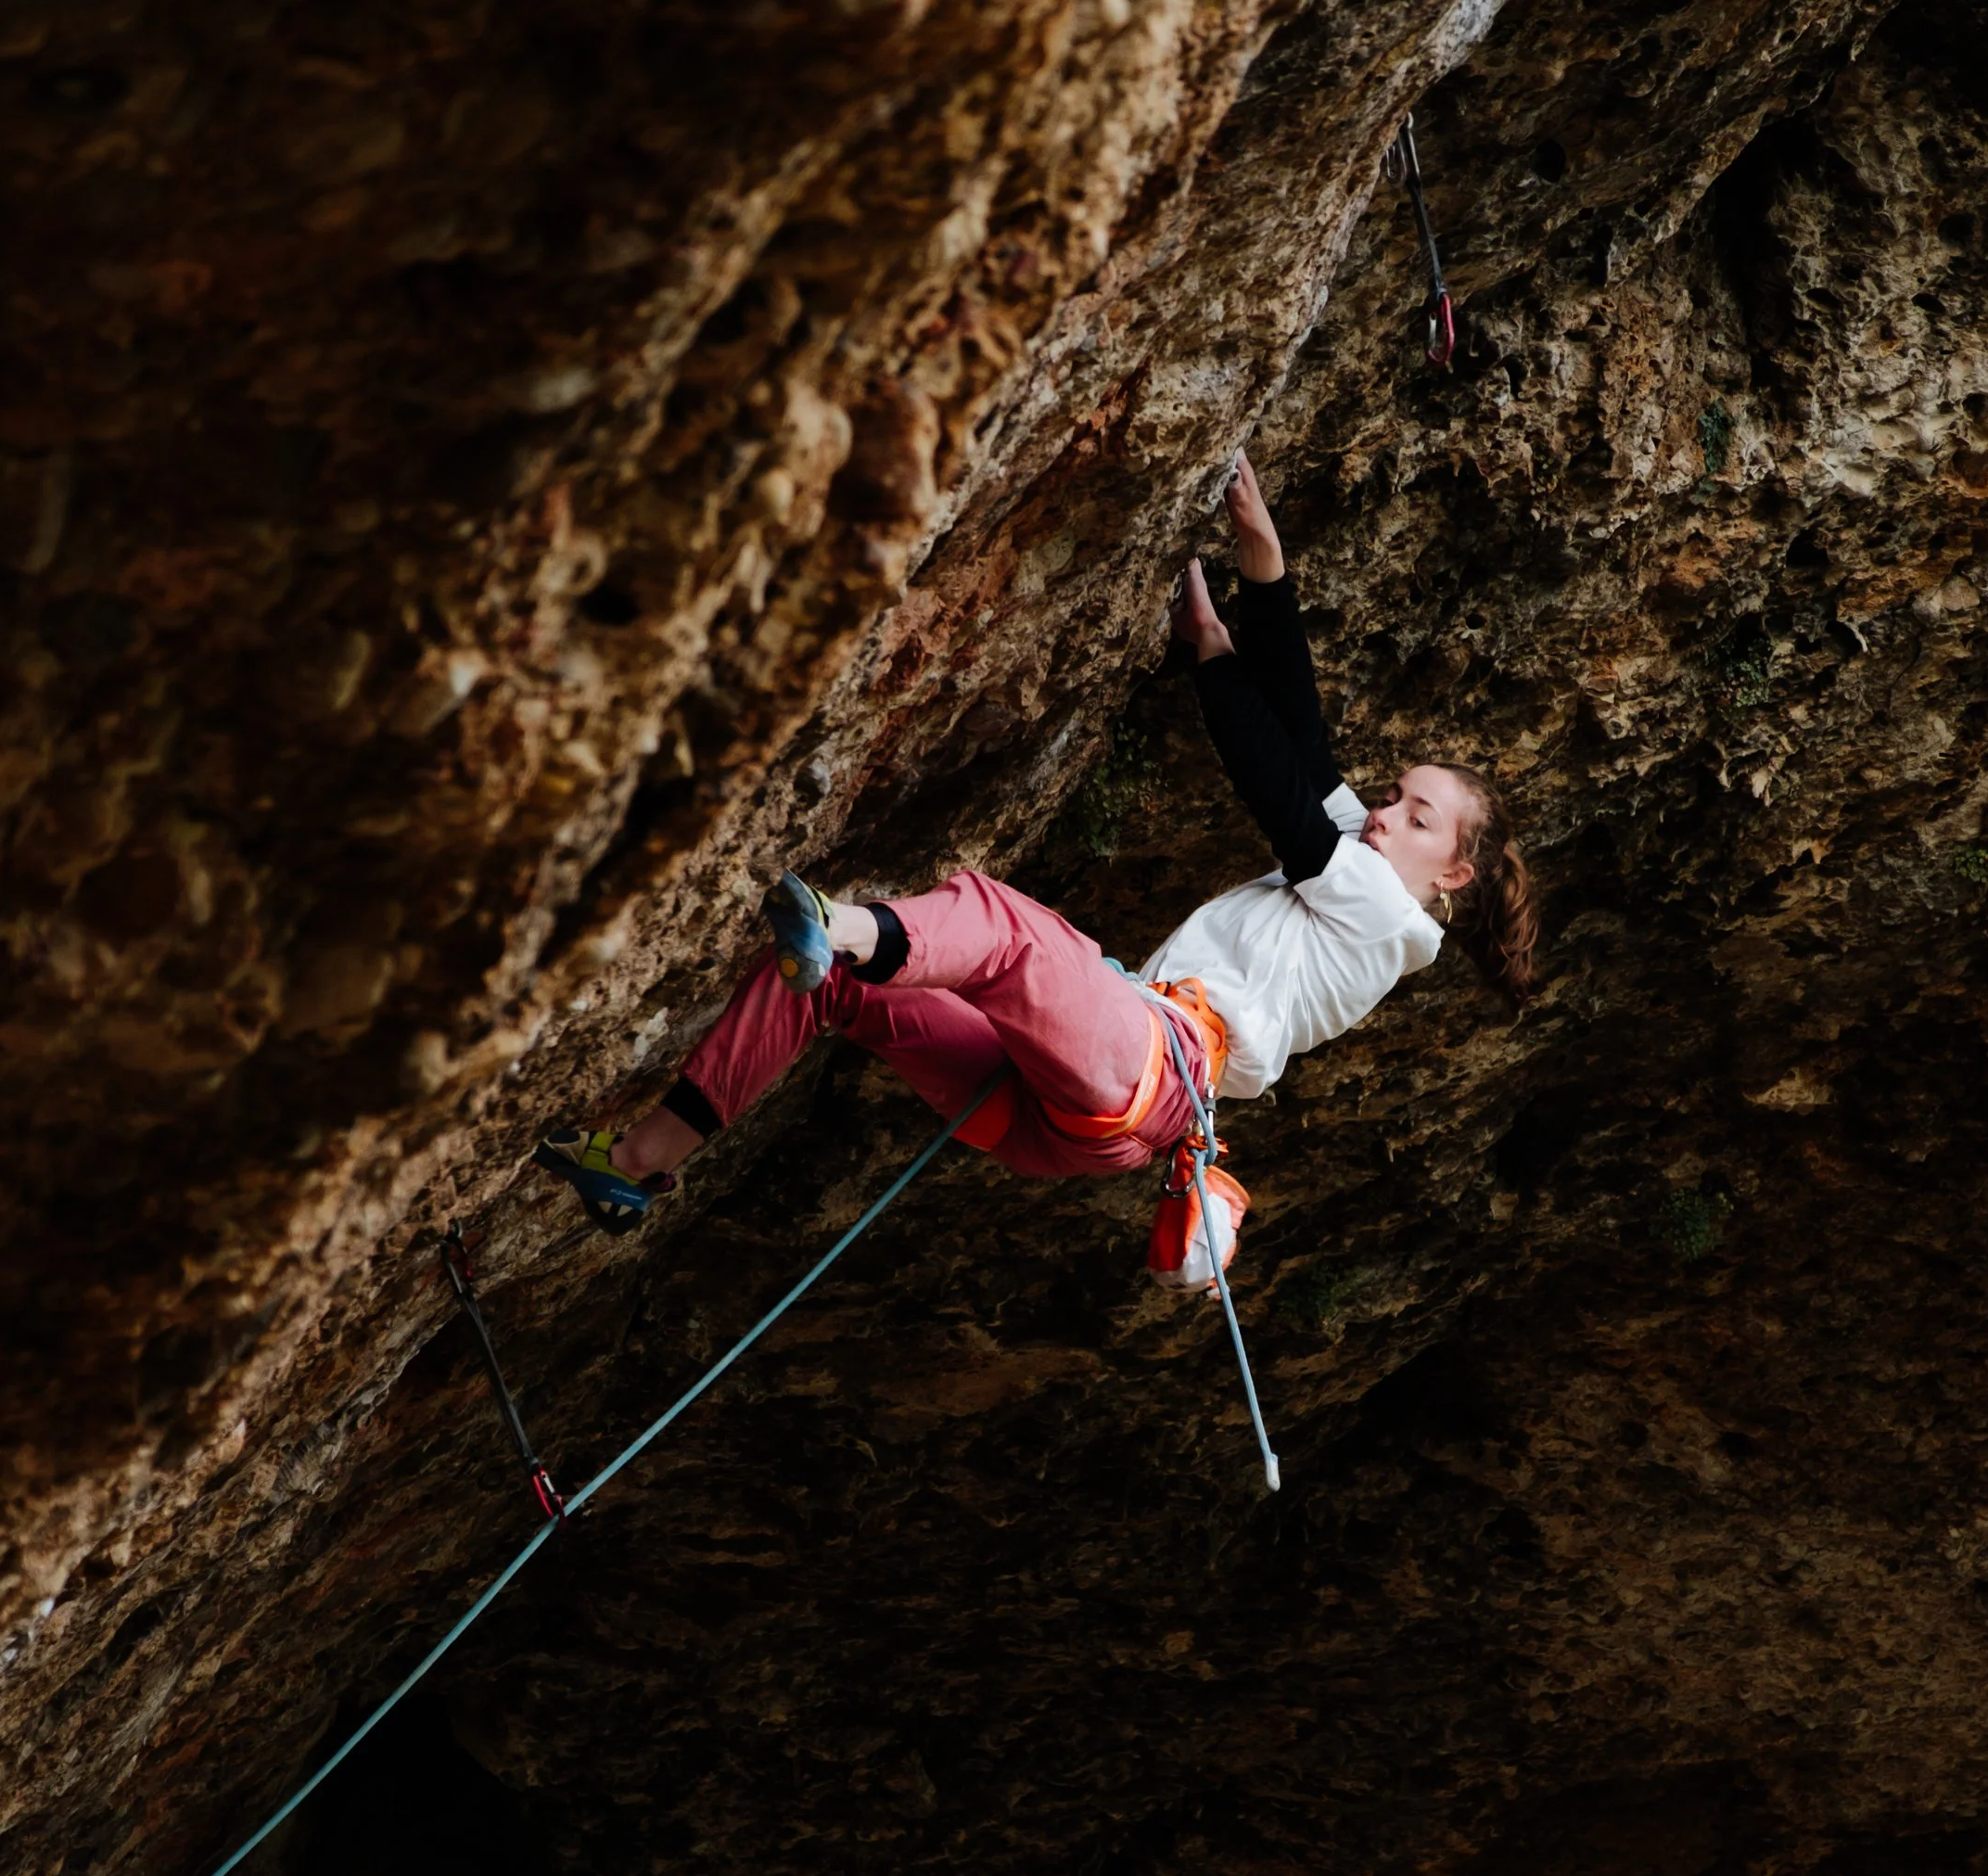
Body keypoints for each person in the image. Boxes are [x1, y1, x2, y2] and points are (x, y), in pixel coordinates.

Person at [534, 454, 1536, 1276]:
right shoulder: (1361, 874)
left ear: (1448, 875)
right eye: (1395, 796)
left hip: (1139, 1063)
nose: (1381, 815)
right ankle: (634, 1164)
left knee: (1002, 926)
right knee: (832, 992)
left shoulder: (1383, 912)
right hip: (1079, 1110)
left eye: (1414, 816)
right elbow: (1309, 748)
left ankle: (831, 924)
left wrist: (1211, 656)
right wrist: (1261, 568)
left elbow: (1277, 786)